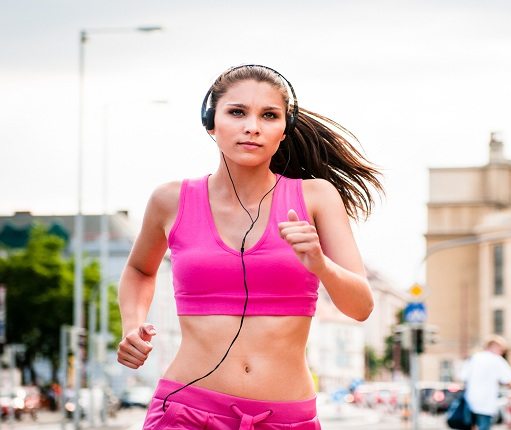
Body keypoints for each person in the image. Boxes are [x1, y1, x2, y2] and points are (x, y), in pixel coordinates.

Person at [116, 64, 383, 429]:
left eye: (269, 115)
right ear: (211, 123)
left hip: (285, 418)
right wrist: (132, 325)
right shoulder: (170, 200)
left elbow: (361, 307)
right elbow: (139, 269)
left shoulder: (317, 197)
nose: (252, 126)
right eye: (237, 112)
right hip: (186, 410)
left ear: (284, 130)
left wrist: (320, 263)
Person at [460, 335, 511, 430]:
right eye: (501, 350)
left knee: (471, 426)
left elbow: (462, 377)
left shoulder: (474, 358)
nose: (502, 353)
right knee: (484, 426)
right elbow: (510, 379)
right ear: (494, 346)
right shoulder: (496, 360)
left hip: (469, 401)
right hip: (486, 403)